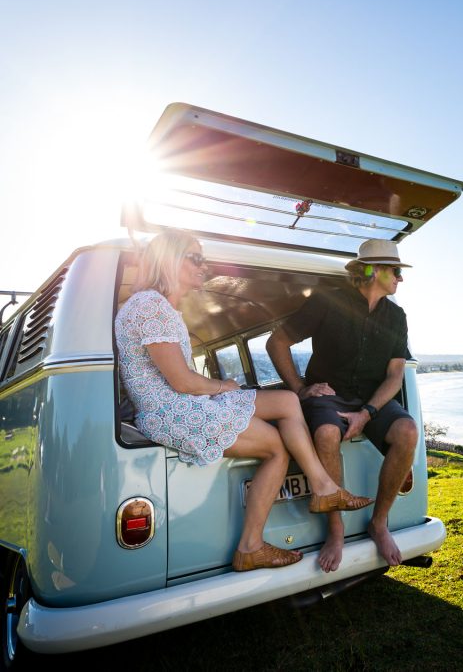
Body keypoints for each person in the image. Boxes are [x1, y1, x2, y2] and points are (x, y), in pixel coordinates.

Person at [115, 230, 373, 572]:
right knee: (277, 445)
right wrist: (225, 386)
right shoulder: (149, 306)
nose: (202, 265)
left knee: (285, 403)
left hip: (177, 404)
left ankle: (322, 489)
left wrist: (227, 389)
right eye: (195, 258)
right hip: (171, 411)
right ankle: (254, 544)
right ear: (170, 260)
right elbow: (182, 381)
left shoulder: (158, 307)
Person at [267, 238, 417, 571]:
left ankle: (379, 523)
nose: (400, 278)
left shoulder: (397, 317)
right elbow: (277, 341)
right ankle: (336, 531)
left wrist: (368, 413)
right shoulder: (326, 303)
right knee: (326, 436)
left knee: (407, 431)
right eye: (395, 271)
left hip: (371, 397)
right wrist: (299, 389)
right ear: (374, 270)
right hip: (328, 394)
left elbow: (394, 376)